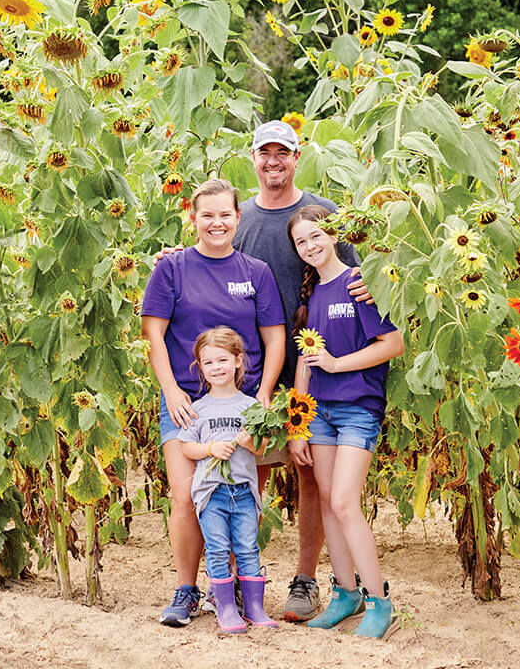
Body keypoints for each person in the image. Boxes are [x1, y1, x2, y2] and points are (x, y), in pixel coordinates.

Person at [155, 119, 372, 621]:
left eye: (284, 152)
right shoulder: (241, 215)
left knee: (312, 476)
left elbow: (354, 269)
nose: (274, 161)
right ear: (253, 159)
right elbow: (214, 259)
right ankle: (226, 582)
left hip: (316, 366)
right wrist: (173, 256)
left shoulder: (319, 212)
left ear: (298, 158)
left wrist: (368, 285)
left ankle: (305, 579)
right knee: (242, 470)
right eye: (264, 153)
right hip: (255, 375)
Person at [141, 178, 286, 626]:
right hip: (188, 400)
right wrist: (170, 390)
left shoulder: (255, 271)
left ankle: (239, 591)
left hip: (244, 403)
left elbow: (275, 338)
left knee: (243, 496)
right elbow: (154, 333)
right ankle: (186, 589)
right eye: (207, 215)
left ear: (238, 218)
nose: (217, 222)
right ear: (194, 218)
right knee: (186, 496)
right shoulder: (173, 268)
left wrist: (262, 397)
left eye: (225, 214)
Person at [287, 205, 404, 639]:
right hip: (320, 415)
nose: (310, 245)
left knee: (344, 502)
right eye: (301, 242)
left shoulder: (359, 283)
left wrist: (337, 366)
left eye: (316, 236)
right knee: (327, 500)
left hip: (358, 408)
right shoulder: (311, 295)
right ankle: (345, 594)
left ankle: (379, 601)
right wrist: (298, 424)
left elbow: (393, 344)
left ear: (333, 235)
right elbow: (305, 363)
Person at [177, 327, 279, 634]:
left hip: (244, 491)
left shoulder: (250, 406)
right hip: (212, 494)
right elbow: (186, 446)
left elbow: (261, 449)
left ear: (238, 361)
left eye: (222, 360)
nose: (216, 368)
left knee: (248, 547)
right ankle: (225, 609)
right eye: (208, 363)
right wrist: (210, 449)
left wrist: (249, 443)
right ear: (200, 368)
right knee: (218, 548)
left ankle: (255, 608)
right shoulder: (198, 409)